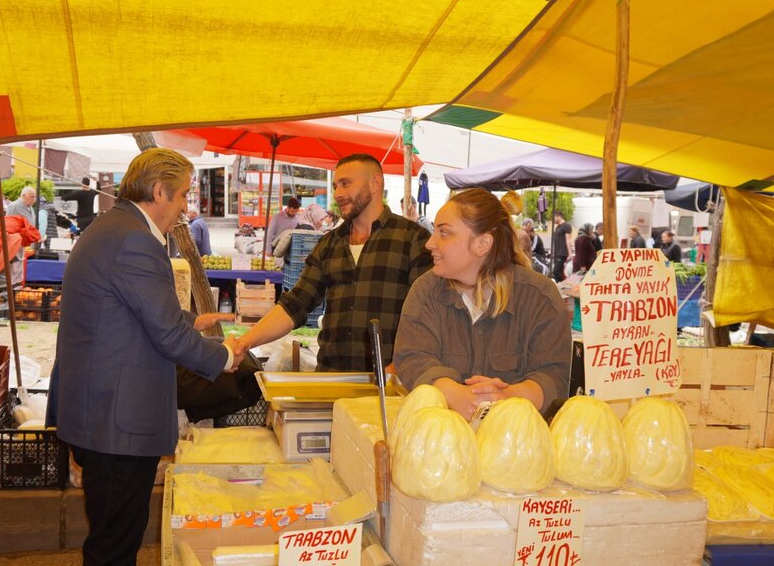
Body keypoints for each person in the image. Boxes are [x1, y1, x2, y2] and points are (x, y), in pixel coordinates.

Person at [48, 148, 243, 566]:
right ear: (159, 191)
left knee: (112, 536)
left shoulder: (115, 227)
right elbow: (166, 334)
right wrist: (225, 356)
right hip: (116, 421)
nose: (185, 207)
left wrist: (192, 321)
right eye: (183, 195)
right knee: (115, 545)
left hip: (101, 413)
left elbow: (129, 308)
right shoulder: (135, 239)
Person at [238, 153, 433, 371]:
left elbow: (429, 316)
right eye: (335, 186)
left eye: (346, 184)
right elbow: (295, 304)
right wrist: (245, 341)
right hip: (331, 377)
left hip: (389, 381)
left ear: (375, 182)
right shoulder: (329, 244)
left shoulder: (412, 239)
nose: (338, 193)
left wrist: (400, 367)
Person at [394, 188, 570, 418]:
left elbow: (554, 377)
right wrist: (453, 393)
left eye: (444, 233)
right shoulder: (425, 291)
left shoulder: (540, 298)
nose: (430, 243)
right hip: (441, 434)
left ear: (483, 243)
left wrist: (505, 397)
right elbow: (412, 358)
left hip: (517, 435)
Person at [5, 187, 38, 285]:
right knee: (14, 265)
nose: (34, 199)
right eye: (31, 197)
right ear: (23, 196)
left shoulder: (30, 207)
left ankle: (17, 286)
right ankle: (13, 287)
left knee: (19, 264)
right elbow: (7, 223)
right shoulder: (14, 206)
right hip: (14, 241)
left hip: (23, 241)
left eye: (34, 197)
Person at [550, 210, 573, 282]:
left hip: (562, 253)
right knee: (558, 272)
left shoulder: (566, 226)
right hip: (557, 253)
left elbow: (568, 240)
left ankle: (562, 284)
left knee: (556, 271)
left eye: (553, 217)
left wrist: (570, 254)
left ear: (558, 216)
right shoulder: (557, 227)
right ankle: (560, 285)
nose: (552, 220)